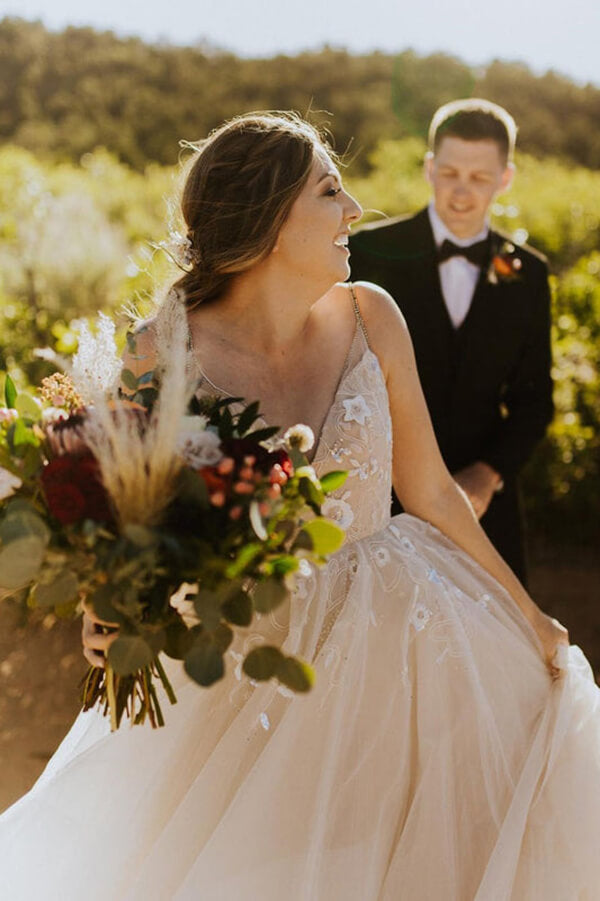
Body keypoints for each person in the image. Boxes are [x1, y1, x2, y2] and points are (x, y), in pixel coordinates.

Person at [1, 112, 599, 901]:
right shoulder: (160, 351)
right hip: (243, 656)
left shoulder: (371, 315)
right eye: (330, 189)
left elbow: (428, 492)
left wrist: (528, 613)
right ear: (270, 217)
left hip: (405, 646)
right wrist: (102, 605)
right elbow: (119, 516)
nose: (354, 208)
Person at [349, 99, 554, 583]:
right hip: (380, 500)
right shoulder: (367, 251)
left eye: (480, 178)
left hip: (484, 508)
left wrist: (488, 475)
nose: (462, 193)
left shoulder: (529, 273)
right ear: (429, 168)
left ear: (505, 178)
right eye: (450, 173)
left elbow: (534, 401)